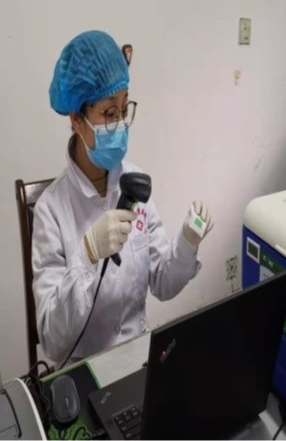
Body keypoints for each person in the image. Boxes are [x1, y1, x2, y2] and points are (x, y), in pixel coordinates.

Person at [32, 30, 214, 366]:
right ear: (76, 120)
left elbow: (162, 282)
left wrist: (188, 242)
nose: (120, 123)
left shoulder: (135, 185)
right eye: (108, 113)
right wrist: (86, 255)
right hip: (84, 370)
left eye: (124, 107)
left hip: (140, 356)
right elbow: (53, 343)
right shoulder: (50, 210)